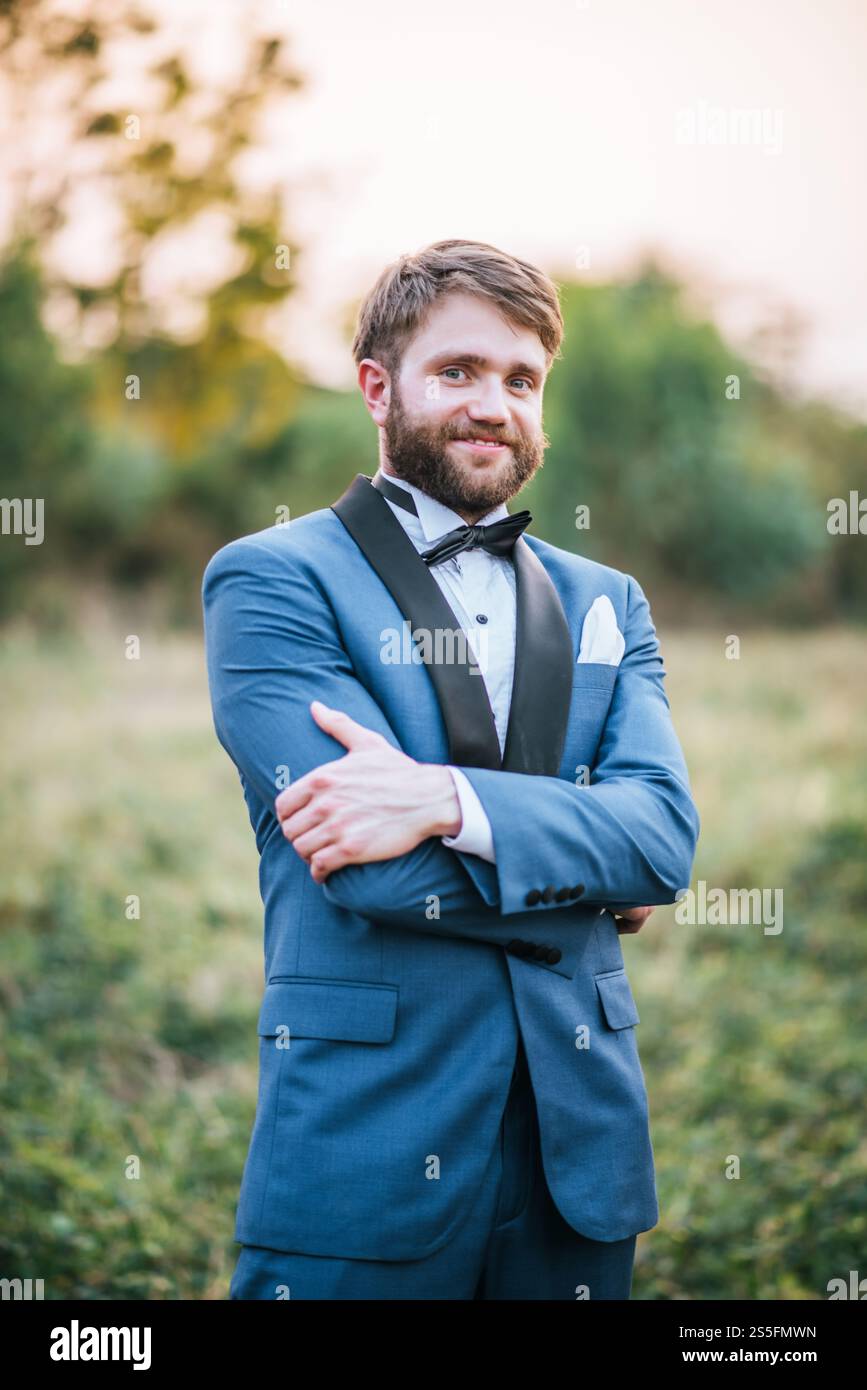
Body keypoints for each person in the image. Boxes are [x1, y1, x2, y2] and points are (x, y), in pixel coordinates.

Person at [202, 238, 700, 1300]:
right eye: (459, 372)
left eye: (521, 380)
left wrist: (443, 800)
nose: (494, 405)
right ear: (378, 388)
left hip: (581, 1157)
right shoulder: (271, 579)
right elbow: (372, 871)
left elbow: (662, 840)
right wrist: (585, 868)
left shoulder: (607, 598)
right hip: (367, 1153)